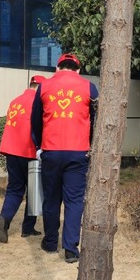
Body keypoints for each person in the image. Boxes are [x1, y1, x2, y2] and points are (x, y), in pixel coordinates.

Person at [31, 53, 99, 263]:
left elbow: (35, 120)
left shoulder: (44, 87)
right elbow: (96, 119)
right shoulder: (89, 87)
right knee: (74, 200)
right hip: (78, 151)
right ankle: (70, 249)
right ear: (78, 70)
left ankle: (50, 242)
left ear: (58, 68)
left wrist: (38, 144)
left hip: (51, 150)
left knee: (51, 198)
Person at [0, 74, 45, 243]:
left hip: (11, 151)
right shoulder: (39, 102)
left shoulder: (15, 101)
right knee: (34, 190)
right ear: (40, 88)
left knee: (15, 189)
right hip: (29, 151)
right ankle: (28, 228)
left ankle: (4, 218)